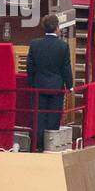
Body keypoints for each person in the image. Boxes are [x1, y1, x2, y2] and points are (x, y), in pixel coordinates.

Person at [26, 13, 72, 148]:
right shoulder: (63, 46)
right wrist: (70, 86)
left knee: (38, 116)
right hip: (56, 88)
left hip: (39, 86)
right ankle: (50, 145)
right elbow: (66, 68)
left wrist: (31, 84)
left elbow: (30, 67)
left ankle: (37, 144)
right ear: (57, 27)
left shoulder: (34, 44)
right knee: (54, 116)